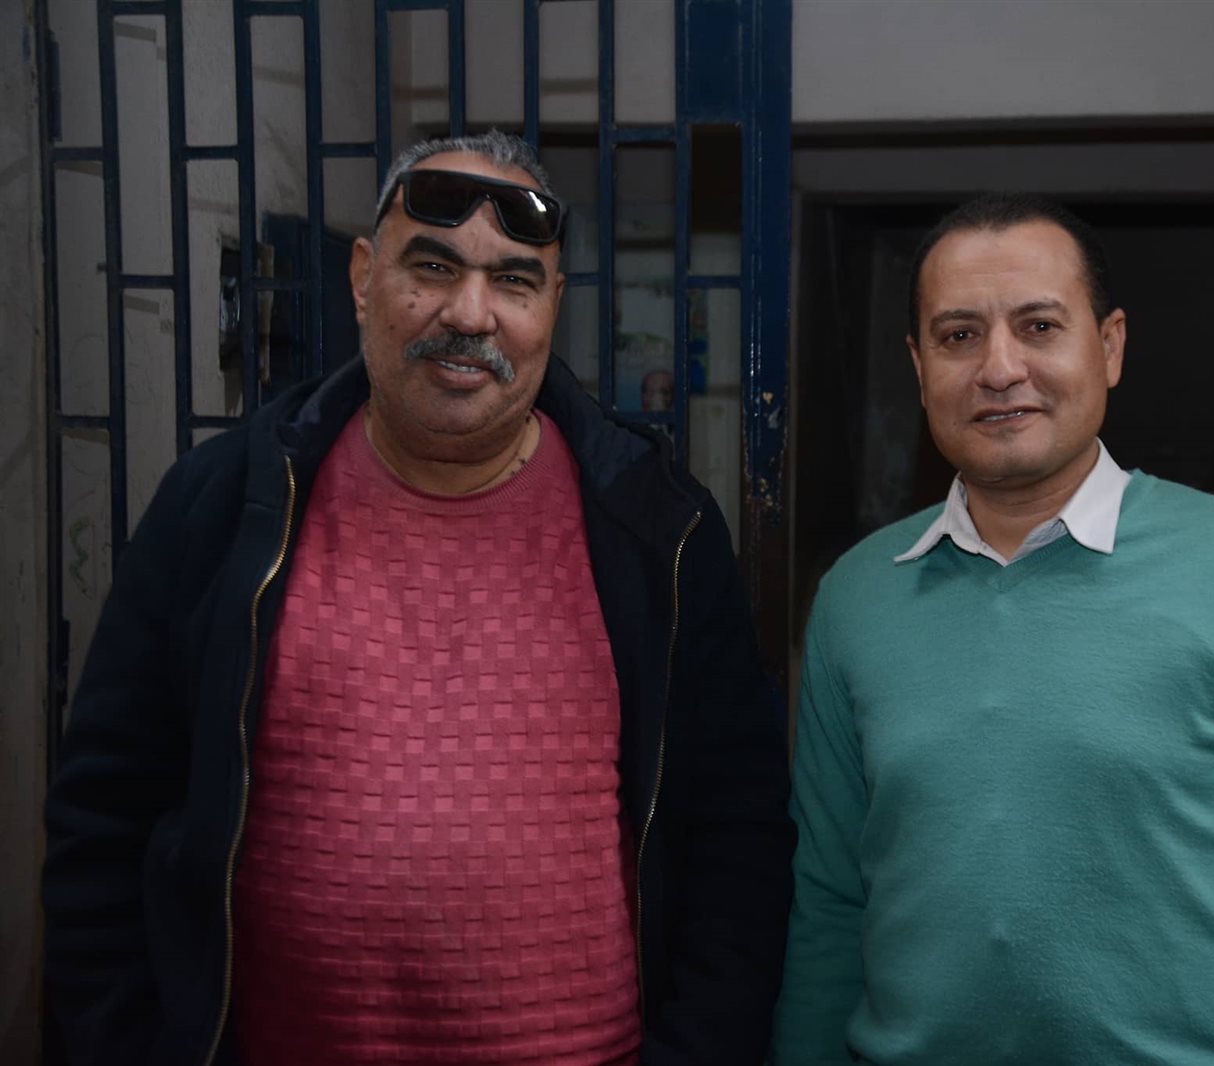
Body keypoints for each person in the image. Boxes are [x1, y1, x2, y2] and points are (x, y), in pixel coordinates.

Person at [43, 129, 795, 1066]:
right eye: (432, 267)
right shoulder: (220, 509)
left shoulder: (658, 530)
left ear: (553, 306)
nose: (470, 313)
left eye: (514, 281)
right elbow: (103, 822)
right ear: (364, 277)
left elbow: (738, 841)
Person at [771, 193, 1214, 1065]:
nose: (999, 368)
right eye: (959, 336)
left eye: (1038, 326)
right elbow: (830, 903)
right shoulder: (856, 597)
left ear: (1109, 346)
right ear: (918, 366)